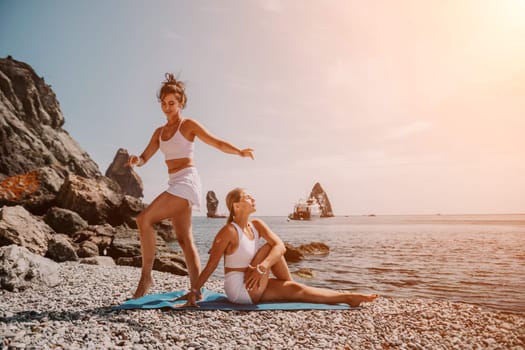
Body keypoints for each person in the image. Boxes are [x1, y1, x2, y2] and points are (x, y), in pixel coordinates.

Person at [127, 74, 254, 298]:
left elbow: (216, 142)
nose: (167, 108)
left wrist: (239, 152)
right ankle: (196, 291)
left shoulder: (188, 125)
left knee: (143, 219)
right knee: (185, 240)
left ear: (181, 103)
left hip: (187, 181)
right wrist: (137, 161)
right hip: (175, 181)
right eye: (164, 104)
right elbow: (146, 156)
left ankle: (146, 278)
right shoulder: (159, 132)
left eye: (172, 103)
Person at [182, 188, 378, 307]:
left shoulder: (257, 225)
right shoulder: (228, 232)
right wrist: (194, 292)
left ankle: (347, 297)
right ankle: (290, 287)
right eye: (248, 197)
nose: (253, 199)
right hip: (239, 289)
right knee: (269, 247)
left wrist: (263, 267)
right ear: (236, 206)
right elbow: (211, 265)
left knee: (297, 288)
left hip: (254, 279)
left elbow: (281, 246)